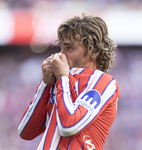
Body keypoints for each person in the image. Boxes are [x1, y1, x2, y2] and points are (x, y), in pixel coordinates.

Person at [18, 14, 120, 150]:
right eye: (61, 47)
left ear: (93, 49)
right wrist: (45, 84)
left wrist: (62, 78)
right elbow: (26, 131)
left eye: (69, 48)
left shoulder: (104, 82)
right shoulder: (61, 81)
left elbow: (69, 126)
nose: (61, 54)